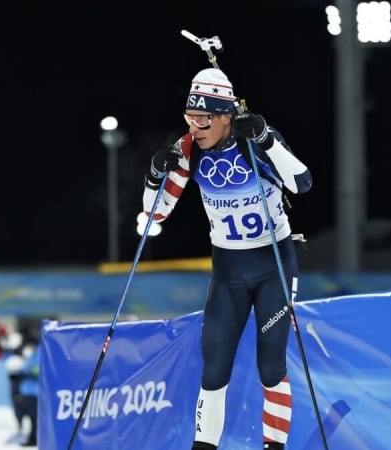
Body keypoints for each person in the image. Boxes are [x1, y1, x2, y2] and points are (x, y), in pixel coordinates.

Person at [141, 68, 312, 450]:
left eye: (202, 120)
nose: (195, 128)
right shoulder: (188, 149)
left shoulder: (252, 140)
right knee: (214, 369)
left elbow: (301, 182)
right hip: (229, 270)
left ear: (225, 116)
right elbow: (154, 214)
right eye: (189, 119)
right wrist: (155, 175)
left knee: (271, 368)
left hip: (274, 265)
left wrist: (267, 140)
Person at [17, 339, 40, 447]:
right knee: (31, 416)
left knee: (34, 416)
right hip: (28, 391)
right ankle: (32, 438)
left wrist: (26, 372)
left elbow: (37, 370)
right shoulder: (33, 354)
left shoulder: (40, 352)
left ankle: (34, 439)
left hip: (34, 392)